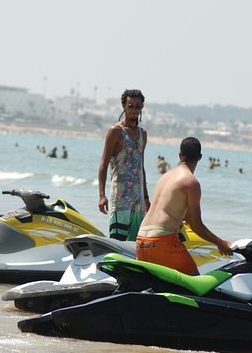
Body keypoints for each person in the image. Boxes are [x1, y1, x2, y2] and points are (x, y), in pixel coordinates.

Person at [136, 137, 232, 275]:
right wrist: (220, 243)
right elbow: (196, 225)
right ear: (200, 157)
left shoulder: (165, 177)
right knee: (194, 283)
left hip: (141, 240)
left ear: (180, 156)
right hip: (162, 240)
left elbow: (185, 218)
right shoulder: (191, 183)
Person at [98, 89, 150, 241]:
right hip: (121, 199)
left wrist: (146, 198)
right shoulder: (115, 132)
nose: (134, 110)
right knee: (117, 242)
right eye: (131, 106)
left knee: (135, 246)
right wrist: (102, 196)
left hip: (138, 200)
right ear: (123, 106)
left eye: (138, 107)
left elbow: (141, 167)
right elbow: (103, 164)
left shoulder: (143, 134)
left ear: (142, 108)